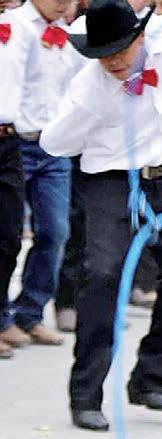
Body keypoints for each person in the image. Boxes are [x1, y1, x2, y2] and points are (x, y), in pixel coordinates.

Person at [40, 0, 162, 431]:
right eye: (102, 54)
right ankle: (85, 394)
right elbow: (53, 143)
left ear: (140, 37)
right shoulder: (87, 89)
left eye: (119, 49)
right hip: (110, 183)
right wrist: (91, 114)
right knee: (103, 274)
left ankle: (151, 377)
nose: (112, 61)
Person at [4, 0, 77, 347]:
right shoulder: (13, 24)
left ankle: (30, 312)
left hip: (52, 148)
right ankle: (2, 317)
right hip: (15, 142)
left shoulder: (68, 33)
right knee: (8, 235)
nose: (63, 2)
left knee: (55, 231)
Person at [0, 1, 38, 358]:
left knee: (9, 236)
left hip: (10, 140)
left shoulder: (22, 29)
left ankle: (2, 316)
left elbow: (32, 85)